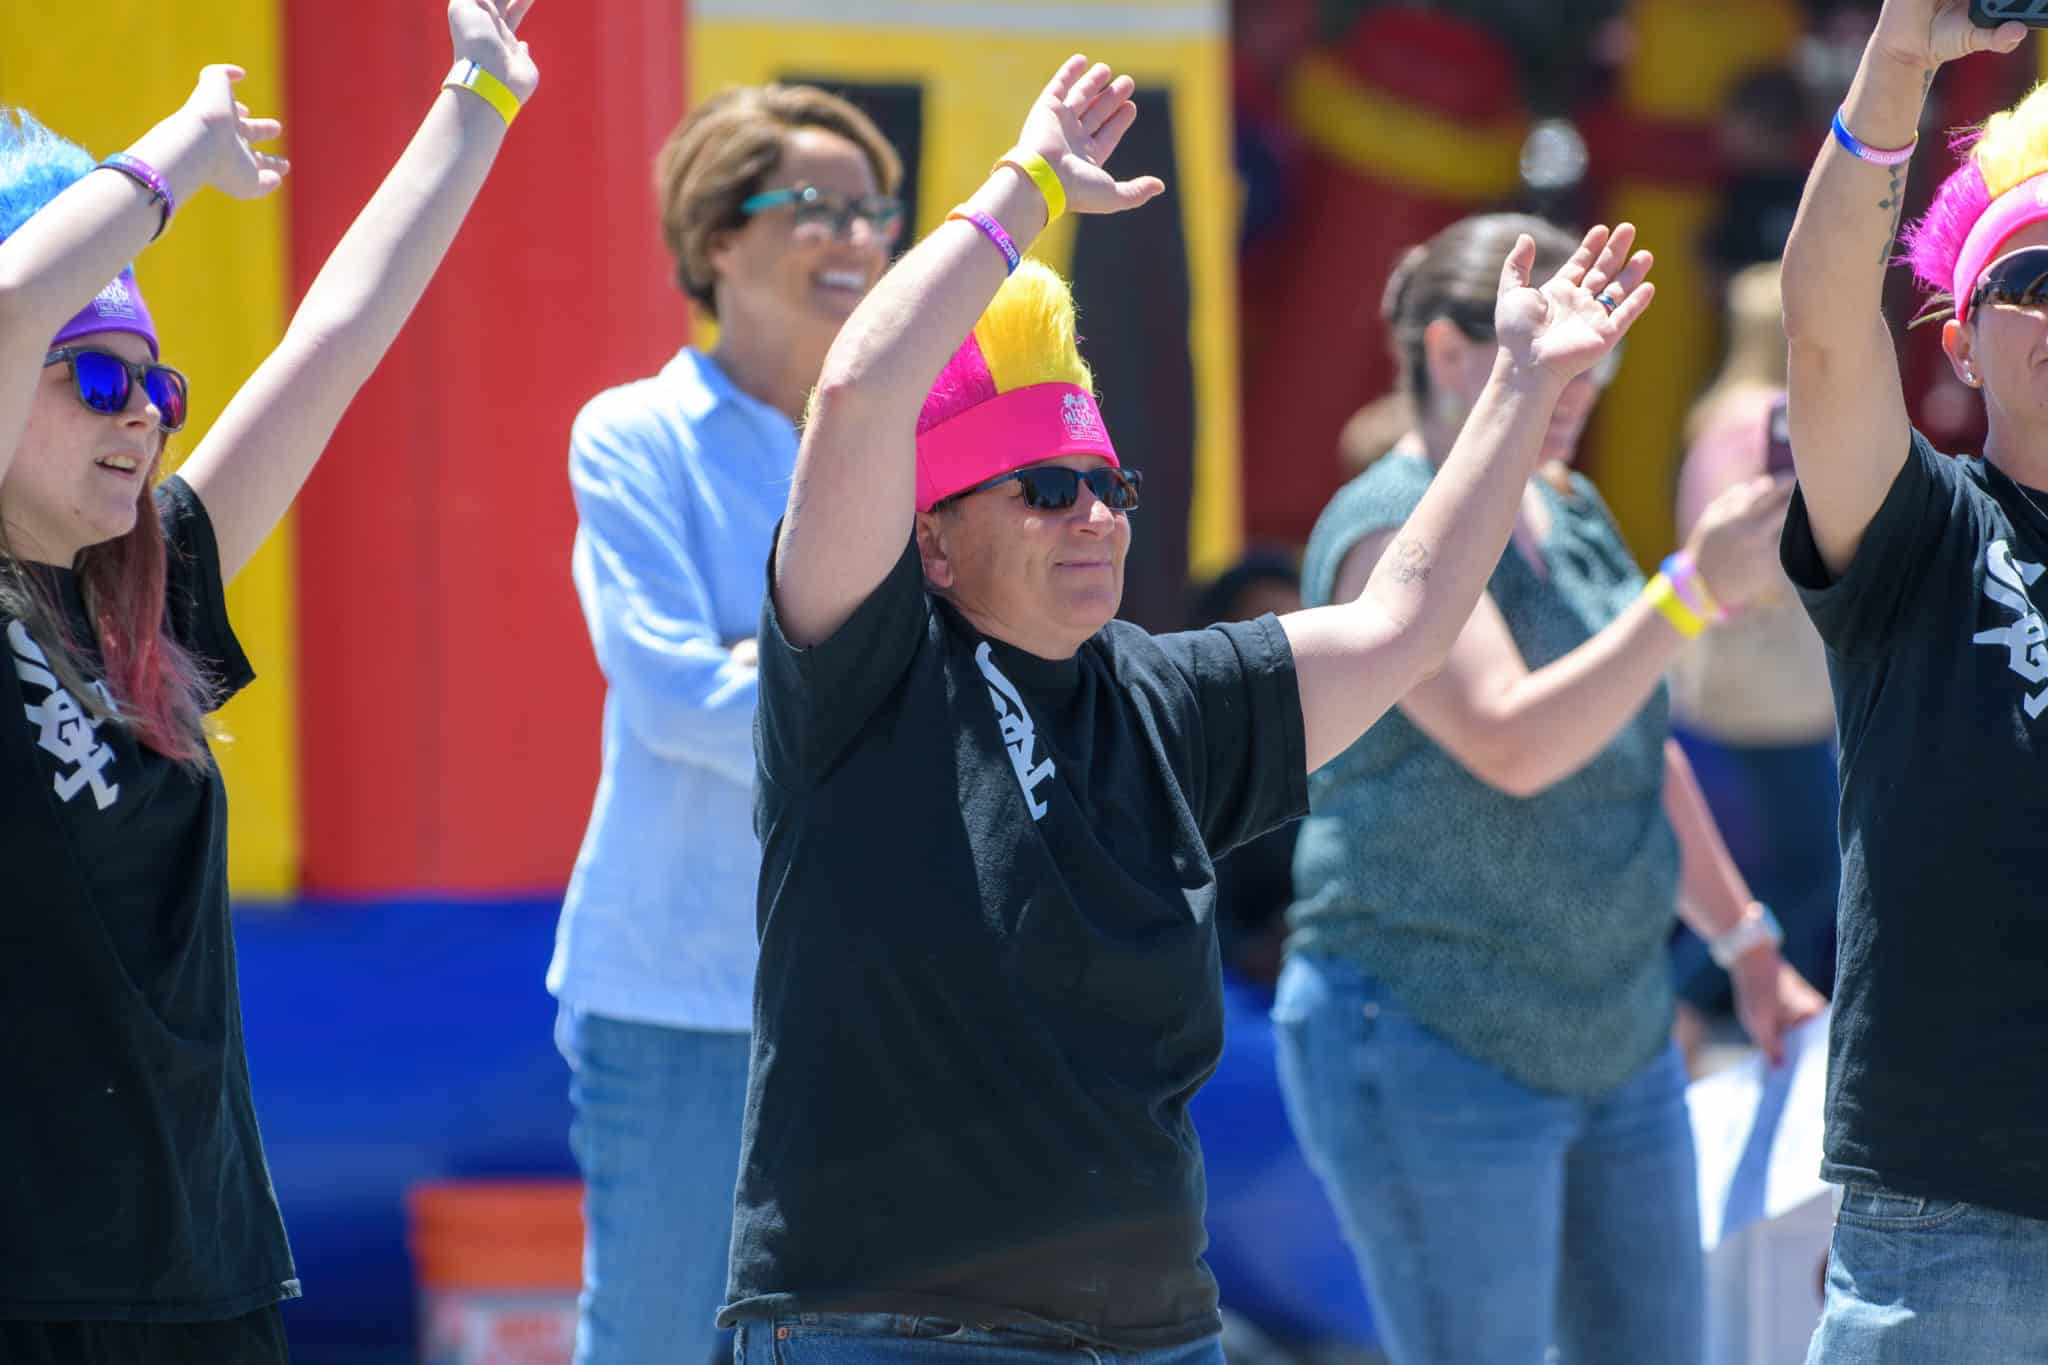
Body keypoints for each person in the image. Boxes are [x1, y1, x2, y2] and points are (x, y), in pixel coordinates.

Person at [718, 54, 1661, 1363]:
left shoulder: (1169, 700)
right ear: (932, 542)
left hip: (1150, 1331)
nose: (1096, 514)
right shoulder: (866, 676)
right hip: (896, 1325)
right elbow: (863, 393)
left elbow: (1402, 624)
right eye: (1045, 489)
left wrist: (1517, 391)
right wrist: (1028, 185)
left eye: (1111, 483)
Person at [0, 3, 538, 1359]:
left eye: (157, 386)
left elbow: (333, 341)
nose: (143, 413)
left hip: (203, 1266)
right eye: (98, 375)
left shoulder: (149, 590)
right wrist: (170, 159)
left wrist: (476, 98)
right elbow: (10, 305)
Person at [1272, 211, 1826, 1365]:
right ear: (1443, 351)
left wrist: (1744, 945)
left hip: (1613, 1034)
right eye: (1556, 342)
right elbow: (1512, 743)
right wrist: (1686, 592)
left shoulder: (1565, 505)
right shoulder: (1385, 529)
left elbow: (1638, 746)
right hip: (1431, 1031)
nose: (1581, 380)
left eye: (1602, 351)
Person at [545, 83, 901, 1365]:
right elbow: (675, 698)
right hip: (682, 994)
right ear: (712, 240)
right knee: (653, 1342)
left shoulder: (928, 448)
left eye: (874, 212)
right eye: (812, 206)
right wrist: (888, 678)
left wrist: (785, 659)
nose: (855, 240)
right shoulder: (635, 437)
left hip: (887, 1000)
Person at [1779, 4, 2048, 1359]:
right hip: (1955, 1224)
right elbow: (1825, 330)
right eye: (2034, 281)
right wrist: (1899, 67)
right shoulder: (1928, 531)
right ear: (1961, 341)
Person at [1668, 261, 1840, 1029]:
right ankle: (1696, 1008)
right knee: (1804, 873)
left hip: (1716, 680)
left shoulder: (1714, 417)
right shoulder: (1768, 420)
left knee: (1754, 875)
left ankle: (1704, 1010)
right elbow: (1761, 561)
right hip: (1774, 692)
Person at [1189, 551, 1304, 988]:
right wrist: (1249, 950)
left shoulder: (1336, 749)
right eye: (1262, 628)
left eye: (1297, 625)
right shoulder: (1179, 751)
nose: (1282, 648)